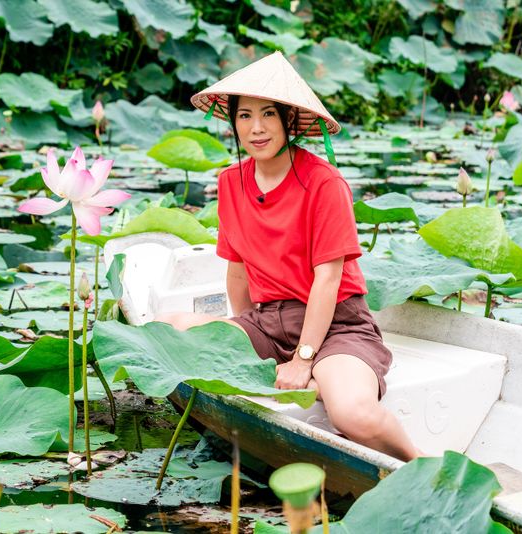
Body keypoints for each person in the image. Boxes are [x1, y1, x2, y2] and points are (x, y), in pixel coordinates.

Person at [156, 51, 420, 462]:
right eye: (245, 116)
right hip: (267, 321)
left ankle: (423, 466)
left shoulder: (324, 182)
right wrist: (245, 342)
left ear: (289, 121)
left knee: (353, 414)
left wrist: (302, 359)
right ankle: (294, 375)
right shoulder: (231, 182)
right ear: (233, 122)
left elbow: (328, 280)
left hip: (336, 326)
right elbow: (238, 273)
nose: (256, 128)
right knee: (170, 329)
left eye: (268, 115)